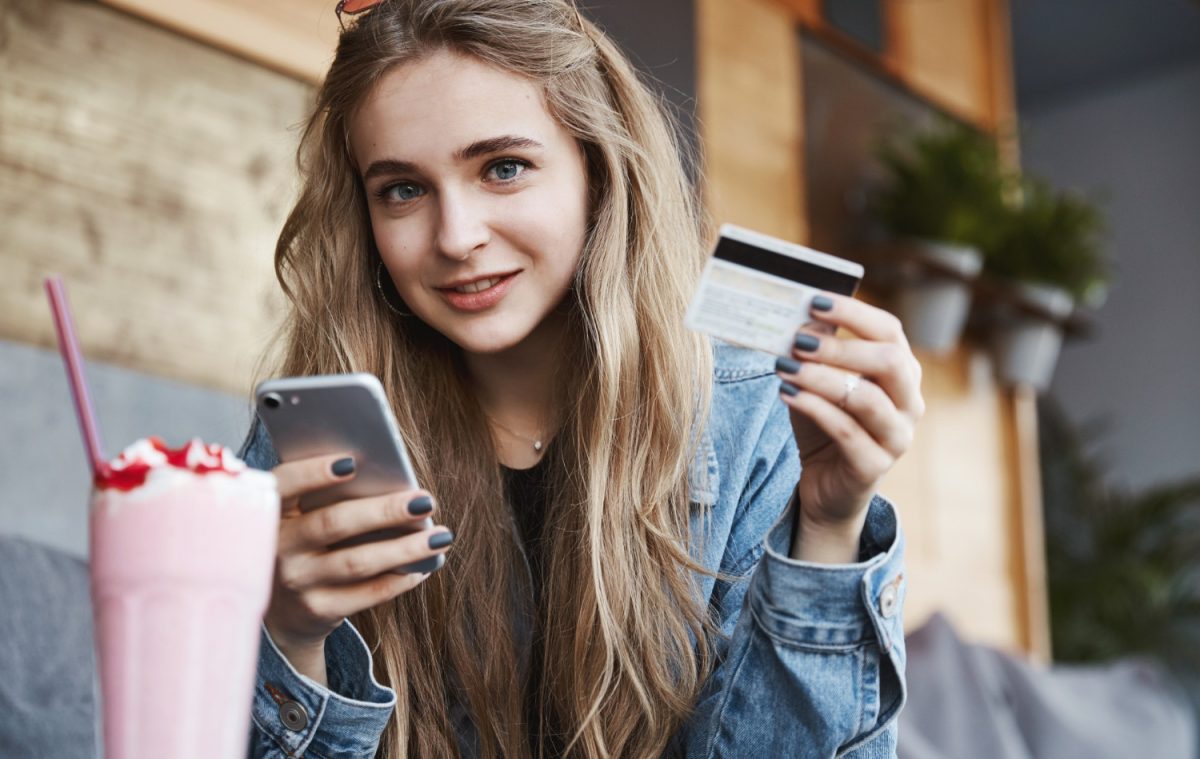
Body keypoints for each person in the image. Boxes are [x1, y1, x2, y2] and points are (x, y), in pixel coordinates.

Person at [239, 0, 924, 756]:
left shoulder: (747, 415)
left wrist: (828, 529)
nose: (456, 236)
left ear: (600, 170)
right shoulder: (309, 449)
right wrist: (289, 638)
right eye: (402, 189)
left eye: (503, 168)